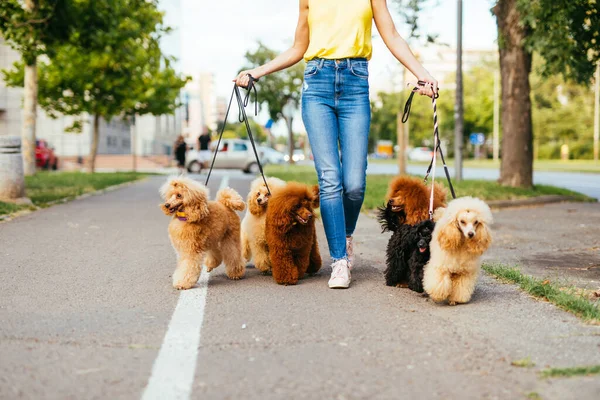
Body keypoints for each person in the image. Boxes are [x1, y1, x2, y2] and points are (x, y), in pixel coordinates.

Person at [235, 0, 438, 289]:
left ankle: (345, 235)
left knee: (354, 183)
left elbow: (391, 34)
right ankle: (339, 261)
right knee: (330, 179)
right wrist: (257, 72)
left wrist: (422, 73)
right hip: (317, 83)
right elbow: (298, 48)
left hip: (356, 83)